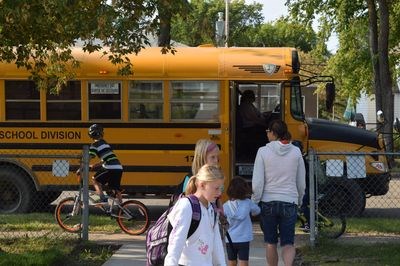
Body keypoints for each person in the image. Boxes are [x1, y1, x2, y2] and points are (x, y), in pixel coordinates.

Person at [251, 120, 306, 266]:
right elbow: (301, 181)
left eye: (268, 131)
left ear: (273, 133)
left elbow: (257, 182)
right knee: (288, 243)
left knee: (271, 242)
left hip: (268, 202)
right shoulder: (296, 151)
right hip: (290, 201)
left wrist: (255, 201)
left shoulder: (262, 152)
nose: (267, 134)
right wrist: (299, 199)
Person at [165, 164, 227, 266]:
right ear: (202, 185)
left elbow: (217, 247)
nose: (219, 193)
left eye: (221, 188)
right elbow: (175, 245)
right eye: (216, 188)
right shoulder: (186, 206)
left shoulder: (212, 209)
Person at [223, 177, 260, 266]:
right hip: (244, 238)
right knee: (244, 261)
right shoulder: (248, 203)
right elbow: (257, 211)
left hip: (230, 238)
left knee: (231, 261)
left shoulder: (225, 206)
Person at [88, 124, 123, 203]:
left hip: (109, 167)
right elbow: (106, 159)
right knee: (116, 189)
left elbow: (88, 158)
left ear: (91, 135)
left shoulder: (94, 145)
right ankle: (122, 209)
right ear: (101, 133)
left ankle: (102, 198)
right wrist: (95, 165)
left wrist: (81, 167)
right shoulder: (105, 144)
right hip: (118, 167)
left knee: (95, 180)